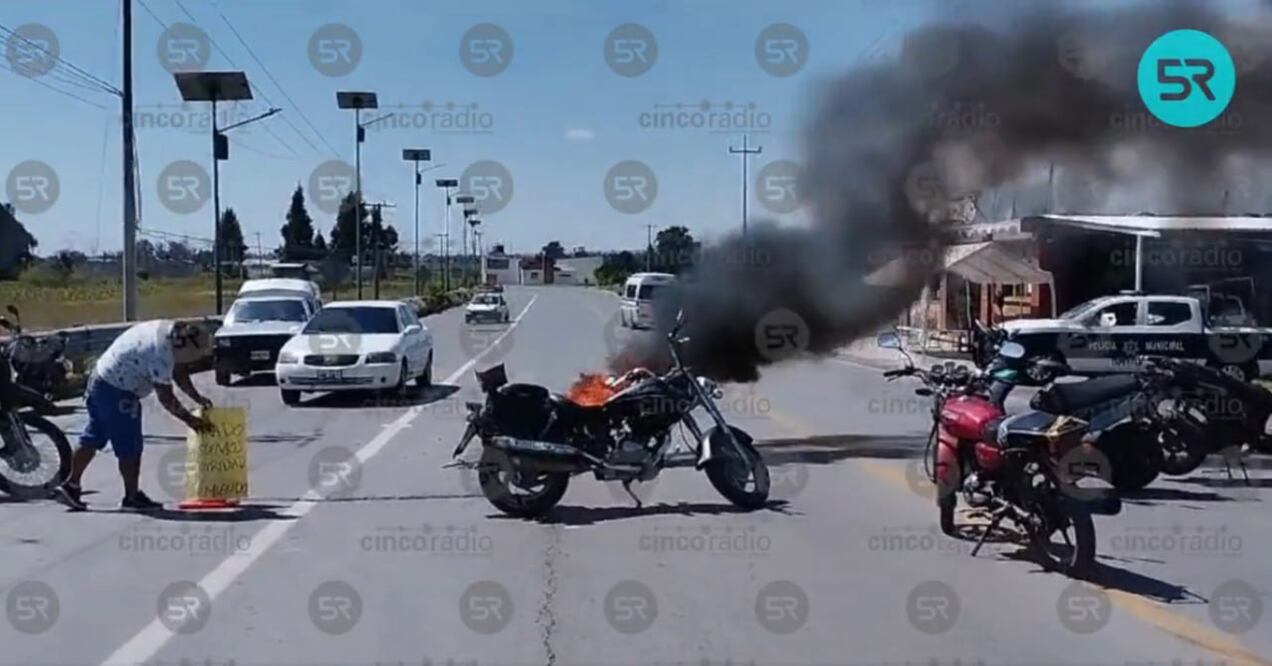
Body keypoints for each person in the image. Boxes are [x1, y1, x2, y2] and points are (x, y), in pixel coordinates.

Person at [54, 319, 214, 511]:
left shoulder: (171, 332)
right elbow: (166, 397)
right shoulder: (161, 352)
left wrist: (197, 397)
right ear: (187, 347)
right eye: (195, 355)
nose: (195, 360)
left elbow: (178, 370)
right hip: (118, 391)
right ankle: (131, 497)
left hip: (100, 380)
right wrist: (192, 421)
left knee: (94, 436)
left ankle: (71, 485)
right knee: (129, 443)